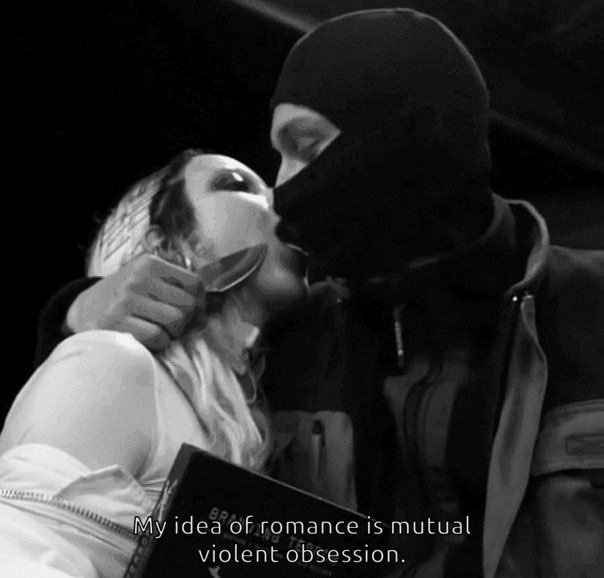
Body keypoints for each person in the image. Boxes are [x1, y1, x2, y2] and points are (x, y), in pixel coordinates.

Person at [30, 8, 603, 578]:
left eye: (306, 145)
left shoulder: (589, 305)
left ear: (410, 133)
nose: (283, 193)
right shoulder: (287, 345)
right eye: (250, 178)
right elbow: (63, 489)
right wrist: (77, 314)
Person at [0, 150, 307, 577]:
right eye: (236, 185)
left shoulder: (262, 398)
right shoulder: (112, 367)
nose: (281, 200)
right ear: (163, 245)